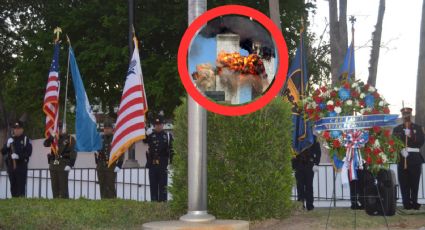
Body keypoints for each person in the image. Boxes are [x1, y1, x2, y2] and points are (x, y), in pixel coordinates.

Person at [393, 107, 425, 210]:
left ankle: (414, 202)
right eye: (404, 115)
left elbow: (421, 142)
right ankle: (406, 203)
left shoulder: (418, 128)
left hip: (415, 158)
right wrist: (401, 149)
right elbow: (393, 143)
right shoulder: (397, 129)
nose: (406, 117)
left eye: (408, 115)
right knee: (404, 182)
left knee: (414, 182)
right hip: (402, 157)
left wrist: (410, 135)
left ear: (410, 115)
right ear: (402, 116)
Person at [143, 116, 174, 202]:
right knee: (153, 185)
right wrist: (145, 132)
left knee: (163, 186)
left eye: (160, 124)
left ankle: (163, 204)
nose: (158, 126)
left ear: (163, 125)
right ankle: (154, 204)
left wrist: (171, 162)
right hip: (152, 164)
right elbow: (144, 140)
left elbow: (172, 150)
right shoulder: (150, 135)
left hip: (163, 164)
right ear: (154, 125)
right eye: (156, 125)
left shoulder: (167, 136)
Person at [44, 121, 77, 198]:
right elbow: (45, 144)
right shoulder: (54, 138)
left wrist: (70, 165)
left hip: (63, 165)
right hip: (53, 165)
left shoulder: (70, 139)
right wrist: (51, 137)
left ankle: (64, 204)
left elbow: (73, 152)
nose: (61, 129)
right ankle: (55, 202)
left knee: (63, 188)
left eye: (62, 128)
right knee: (54, 187)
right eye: (59, 128)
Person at [1, 121, 32, 197]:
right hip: (11, 166)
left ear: (22, 129)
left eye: (18, 128)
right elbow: (3, 151)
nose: (17, 130)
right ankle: (14, 201)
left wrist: (18, 156)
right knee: (13, 186)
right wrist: (7, 145)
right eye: (15, 129)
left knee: (21, 187)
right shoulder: (11, 139)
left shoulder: (25, 139)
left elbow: (28, 153)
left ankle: (20, 203)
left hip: (21, 166)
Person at [95, 121, 123, 199]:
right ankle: (103, 201)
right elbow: (96, 151)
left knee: (110, 186)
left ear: (112, 129)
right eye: (105, 128)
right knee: (102, 185)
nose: (106, 130)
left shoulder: (115, 139)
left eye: (108, 128)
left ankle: (112, 202)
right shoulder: (100, 138)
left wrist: (119, 164)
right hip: (101, 165)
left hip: (111, 165)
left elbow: (120, 151)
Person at [292, 136, 321, 210]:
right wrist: (293, 165)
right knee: (300, 185)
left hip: (309, 165)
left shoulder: (313, 138)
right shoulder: (296, 136)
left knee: (309, 186)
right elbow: (292, 151)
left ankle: (309, 205)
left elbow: (318, 152)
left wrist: (316, 163)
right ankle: (301, 205)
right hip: (299, 164)